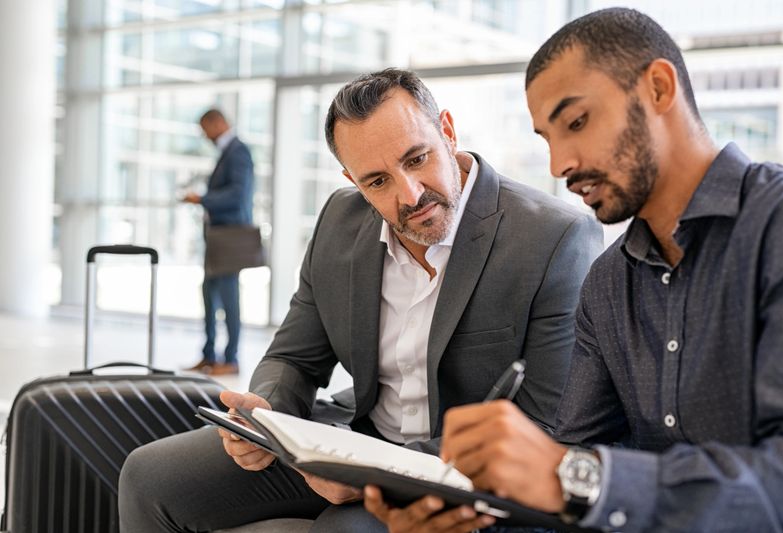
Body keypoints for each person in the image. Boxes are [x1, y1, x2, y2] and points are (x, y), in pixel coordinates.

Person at [364, 8, 783, 533]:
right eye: (548, 138)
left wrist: (573, 476)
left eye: (576, 122)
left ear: (659, 89)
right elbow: (572, 459)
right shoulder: (609, 282)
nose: (559, 164)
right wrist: (463, 510)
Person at [118, 68, 602, 532]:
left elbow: (546, 421)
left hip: (460, 472)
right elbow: (293, 357)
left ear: (448, 132)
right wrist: (265, 414)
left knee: (346, 528)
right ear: (353, 181)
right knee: (148, 476)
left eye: (417, 159)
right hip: (351, 443)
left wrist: (375, 473)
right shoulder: (339, 221)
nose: (410, 194)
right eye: (377, 181)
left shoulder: (552, 237)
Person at [183, 109, 255, 376]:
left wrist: (202, 199)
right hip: (217, 238)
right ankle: (209, 355)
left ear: (219, 122)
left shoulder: (238, 152)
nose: (205, 135)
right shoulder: (229, 152)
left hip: (229, 237)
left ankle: (231, 359)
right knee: (209, 294)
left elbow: (238, 195)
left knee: (228, 298)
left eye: (205, 128)